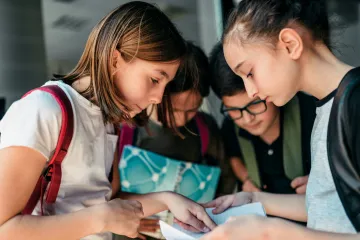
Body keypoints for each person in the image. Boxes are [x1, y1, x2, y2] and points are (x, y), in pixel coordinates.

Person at [0, 2, 216, 240]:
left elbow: (103, 202)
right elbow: (4, 229)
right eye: (155, 79)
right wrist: (100, 219)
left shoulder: (108, 120)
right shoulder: (44, 109)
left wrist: (167, 199)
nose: (157, 98)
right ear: (115, 60)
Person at [198, 0, 360, 239]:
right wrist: (254, 199)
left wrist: (271, 231)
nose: (251, 91)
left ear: (290, 44)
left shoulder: (354, 103)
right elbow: (329, 209)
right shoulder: (327, 109)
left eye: (249, 73)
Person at [114, 42, 236, 240]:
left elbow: (226, 179)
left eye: (192, 110)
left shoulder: (204, 128)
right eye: (175, 110)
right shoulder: (125, 128)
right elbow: (105, 194)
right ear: (157, 94)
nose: (182, 119)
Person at [209, 43, 315, 194]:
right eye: (233, 109)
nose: (246, 119)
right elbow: (233, 155)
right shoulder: (230, 126)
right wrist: (246, 179)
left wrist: (322, 181)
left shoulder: (312, 115)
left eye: (254, 104)